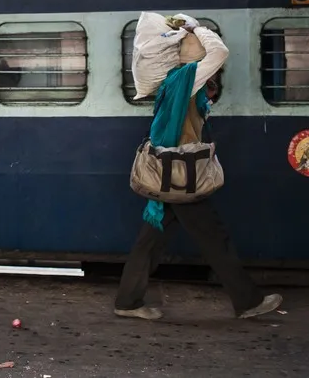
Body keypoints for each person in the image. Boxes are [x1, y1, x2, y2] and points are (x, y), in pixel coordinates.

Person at [114, 23, 283, 320]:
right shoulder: (189, 79)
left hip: (173, 172)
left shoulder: (175, 80)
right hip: (182, 174)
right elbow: (221, 52)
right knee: (214, 238)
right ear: (197, 59)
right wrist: (199, 28)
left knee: (150, 242)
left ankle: (128, 302)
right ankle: (248, 302)